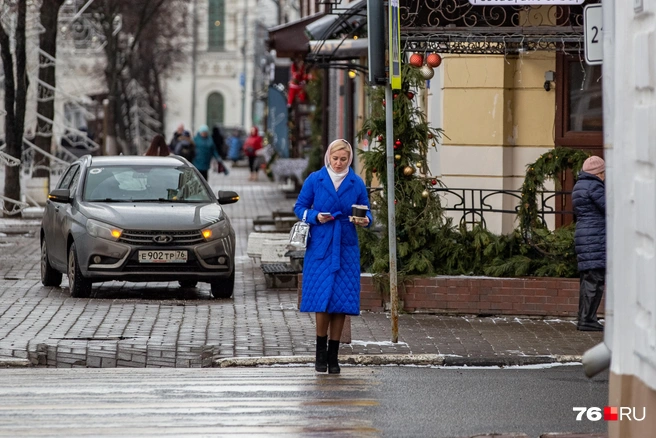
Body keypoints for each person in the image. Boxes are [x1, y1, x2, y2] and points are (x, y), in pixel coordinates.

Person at [293, 139, 373, 374]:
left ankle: (334, 356)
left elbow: (367, 211)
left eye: (344, 159)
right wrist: (316, 216)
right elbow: (299, 207)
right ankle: (320, 353)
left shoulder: (355, 182)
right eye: (335, 159)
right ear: (328, 156)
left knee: (341, 302)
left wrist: (365, 220)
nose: (338, 163)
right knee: (322, 301)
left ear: (349, 160)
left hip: (346, 246)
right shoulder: (315, 179)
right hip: (321, 246)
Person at [572, 155, 606, 332]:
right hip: (595, 236)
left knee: (588, 279)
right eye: (603, 172)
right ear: (598, 173)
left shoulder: (580, 184)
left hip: (585, 234)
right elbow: (609, 207)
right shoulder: (594, 186)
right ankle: (587, 319)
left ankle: (585, 317)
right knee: (595, 279)